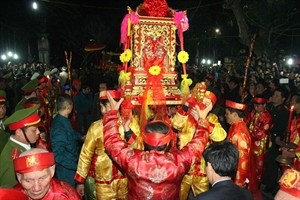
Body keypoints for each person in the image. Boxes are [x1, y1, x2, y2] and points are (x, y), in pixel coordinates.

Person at [102, 91, 211, 200]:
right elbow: (198, 144)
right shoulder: (179, 161)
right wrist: (202, 121)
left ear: (144, 141)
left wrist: (112, 113)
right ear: (168, 142)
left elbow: (112, 142)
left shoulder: (133, 160)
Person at [74, 90, 142, 199]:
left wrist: (80, 181)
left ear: (105, 107)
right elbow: (139, 149)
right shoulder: (130, 123)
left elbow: (85, 155)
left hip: (111, 178)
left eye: (102, 105)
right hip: (116, 177)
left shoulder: (97, 126)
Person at [171, 83, 227, 199]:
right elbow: (176, 124)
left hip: (203, 169)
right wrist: (185, 106)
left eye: (208, 104)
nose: (203, 106)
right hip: (184, 168)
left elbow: (221, 136)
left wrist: (203, 121)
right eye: (203, 101)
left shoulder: (212, 119)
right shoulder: (186, 115)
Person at [13, 148, 80, 200]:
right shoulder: (11, 196)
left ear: (52, 171)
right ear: (19, 177)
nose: (37, 188)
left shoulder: (68, 195)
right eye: (28, 181)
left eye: (42, 178)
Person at [0, 105, 41, 187]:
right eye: (34, 130)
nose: (38, 132)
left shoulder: (22, 147)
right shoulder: (13, 159)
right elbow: (10, 192)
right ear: (18, 132)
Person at [50, 94, 82, 187]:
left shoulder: (64, 120)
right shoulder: (58, 127)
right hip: (66, 170)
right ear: (69, 107)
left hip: (71, 162)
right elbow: (58, 156)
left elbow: (70, 134)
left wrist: (81, 137)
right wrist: (76, 167)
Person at [245, 96, 273, 184]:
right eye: (255, 105)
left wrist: (248, 135)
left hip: (260, 144)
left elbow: (261, 133)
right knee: (249, 162)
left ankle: (256, 183)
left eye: (258, 105)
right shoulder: (253, 113)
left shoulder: (267, 117)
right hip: (250, 141)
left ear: (264, 105)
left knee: (259, 164)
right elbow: (246, 121)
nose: (256, 107)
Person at [224, 100, 251, 188]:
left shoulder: (239, 133)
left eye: (227, 114)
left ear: (235, 115)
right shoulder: (235, 125)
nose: (225, 116)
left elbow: (242, 159)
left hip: (236, 174)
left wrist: (239, 182)